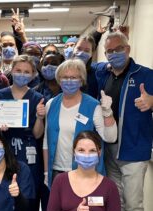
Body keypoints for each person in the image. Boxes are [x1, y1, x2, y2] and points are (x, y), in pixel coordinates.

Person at [95, 31, 153, 211]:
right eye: (109, 51)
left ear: (127, 49)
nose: (114, 54)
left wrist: (152, 102)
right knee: (116, 203)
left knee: (133, 205)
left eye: (118, 49)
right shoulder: (104, 73)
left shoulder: (145, 75)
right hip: (110, 150)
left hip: (134, 151)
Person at [43, 59, 118, 191]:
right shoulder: (51, 104)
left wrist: (107, 113)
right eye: (65, 77)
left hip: (86, 172)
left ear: (81, 80)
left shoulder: (92, 105)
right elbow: (46, 142)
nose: (69, 81)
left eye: (74, 77)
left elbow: (110, 138)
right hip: (57, 172)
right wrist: (45, 172)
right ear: (59, 80)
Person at [0, 55, 45, 211]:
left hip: (29, 153)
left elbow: (37, 134)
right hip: (5, 151)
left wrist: (39, 117)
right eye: (18, 70)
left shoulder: (38, 98)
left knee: (29, 198)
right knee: (4, 196)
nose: (22, 74)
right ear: (12, 71)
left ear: (33, 75)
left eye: (26, 72)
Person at [47, 131, 121, 211]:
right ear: (74, 152)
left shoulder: (109, 187)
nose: (86, 155)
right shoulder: (61, 181)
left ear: (99, 153)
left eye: (92, 151)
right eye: (81, 150)